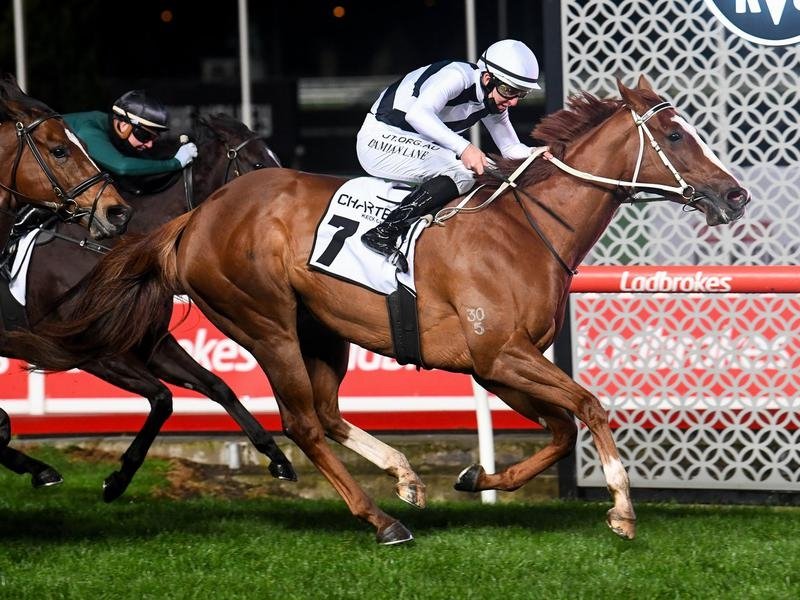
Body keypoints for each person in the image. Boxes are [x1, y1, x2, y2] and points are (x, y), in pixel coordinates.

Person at [357, 39, 540, 270]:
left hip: (417, 145)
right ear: (487, 78)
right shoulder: (457, 76)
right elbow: (418, 115)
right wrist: (464, 148)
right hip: (380, 139)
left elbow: (511, 149)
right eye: (509, 90)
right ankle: (384, 231)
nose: (513, 101)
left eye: (521, 94)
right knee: (464, 172)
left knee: (492, 170)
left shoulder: (493, 101)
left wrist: (538, 153)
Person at [63, 89, 197, 178]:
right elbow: (122, 166)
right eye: (145, 136)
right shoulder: (89, 131)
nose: (150, 145)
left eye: (154, 138)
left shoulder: (111, 127)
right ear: (123, 126)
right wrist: (175, 163)